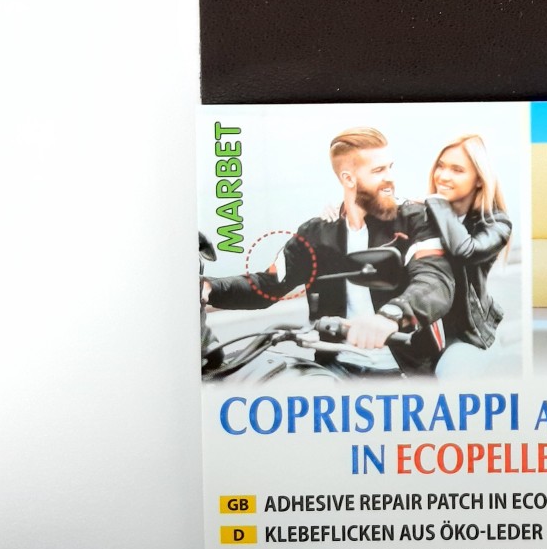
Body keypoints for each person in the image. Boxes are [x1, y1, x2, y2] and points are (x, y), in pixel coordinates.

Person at [203, 127, 455, 376]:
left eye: (390, 167)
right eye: (378, 170)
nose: (390, 178)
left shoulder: (415, 220)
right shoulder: (317, 233)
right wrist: (210, 288)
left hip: (406, 370)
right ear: (348, 179)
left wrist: (391, 316)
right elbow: (268, 284)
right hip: (335, 369)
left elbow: (435, 279)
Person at [423, 134, 512, 353]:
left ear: (479, 179)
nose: (443, 176)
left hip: (465, 335)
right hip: (426, 331)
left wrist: (438, 203)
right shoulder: (425, 215)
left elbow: (465, 250)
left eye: (457, 170)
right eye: (440, 166)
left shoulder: (497, 224)